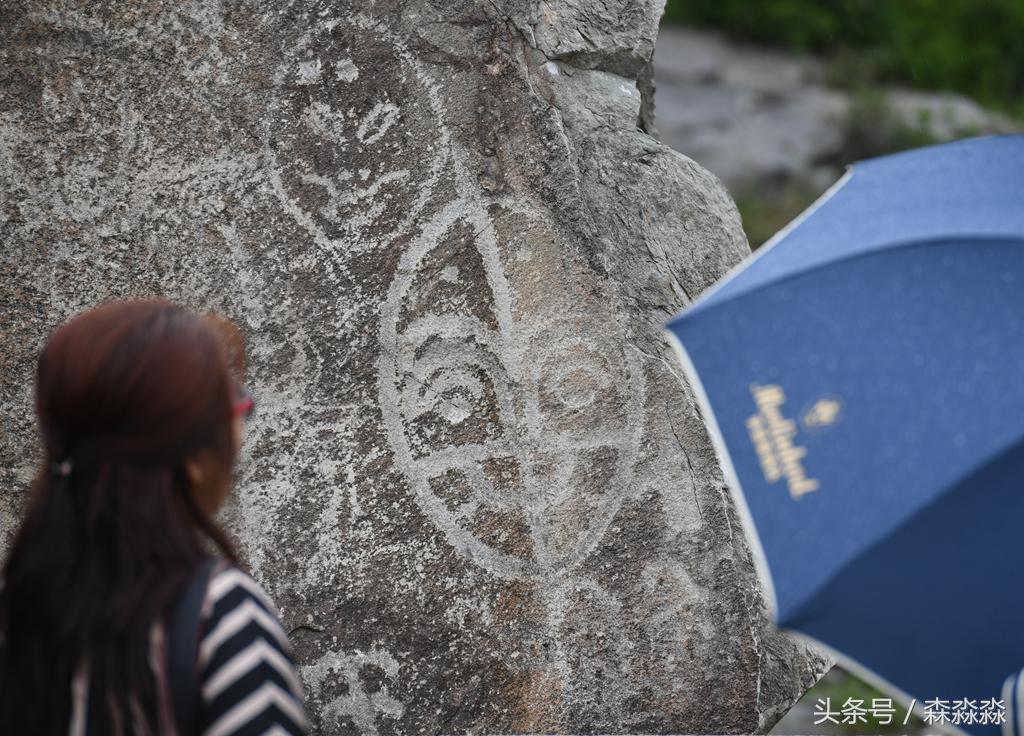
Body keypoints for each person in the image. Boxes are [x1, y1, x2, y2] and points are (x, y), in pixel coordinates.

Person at [0, 299, 308, 735]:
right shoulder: (219, 615)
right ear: (191, 457)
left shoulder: (18, 613)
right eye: (233, 405)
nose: (242, 426)